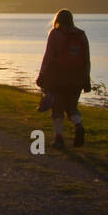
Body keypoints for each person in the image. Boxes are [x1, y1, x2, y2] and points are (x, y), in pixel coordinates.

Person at [36, 9, 91, 149]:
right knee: (72, 107)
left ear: (57, 20)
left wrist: (42, 75)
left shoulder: (55, 34)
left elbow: (48, 56)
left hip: (57, 78)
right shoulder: (81, 35)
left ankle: (59, 138)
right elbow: (86, 60)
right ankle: (78, 125)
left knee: (57, 109)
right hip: (77, 79)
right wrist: (86, 79)